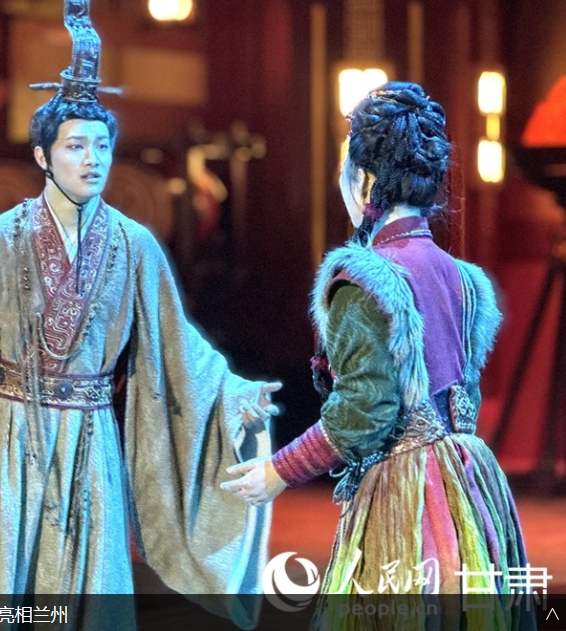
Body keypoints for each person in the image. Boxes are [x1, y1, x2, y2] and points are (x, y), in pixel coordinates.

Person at [0, 0, 279, 628]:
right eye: (74, 147)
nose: (92, 160)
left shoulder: (134, 245)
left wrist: (235, 395)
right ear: (42, 156)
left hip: (92, 440)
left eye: (101, 146)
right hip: (13, 434)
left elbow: (178, 344)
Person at [222, 82, 530, 628]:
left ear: (364, 179)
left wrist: (279, 471)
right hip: (469, 483)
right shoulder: (460, 277)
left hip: (406, 493)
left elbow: (364, 408)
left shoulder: (366, 279)